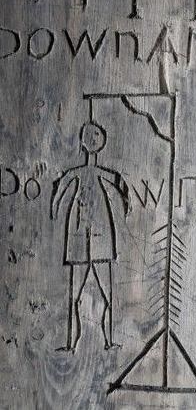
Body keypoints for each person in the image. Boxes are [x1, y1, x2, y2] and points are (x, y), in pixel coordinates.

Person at [51, 121, 131, 351]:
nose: (94, 139)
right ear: (84, 143)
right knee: (75, 297)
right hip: (78, 236)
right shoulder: (78, 173)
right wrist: (55, 207)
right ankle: (73, 342)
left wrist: (127, 203)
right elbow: (61, 186)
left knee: (106, 296)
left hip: (102, 236)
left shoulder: (102, 173)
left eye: (97, 135)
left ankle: (107, 340)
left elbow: (120, 185)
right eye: (91, 135)